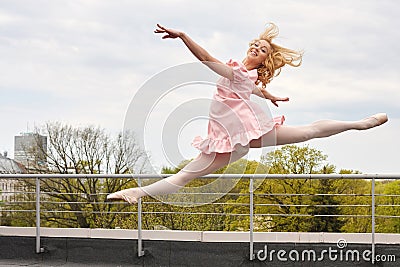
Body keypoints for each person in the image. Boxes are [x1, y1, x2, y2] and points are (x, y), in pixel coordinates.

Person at [107, 23, 388, 204]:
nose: (257, 47)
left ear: (265, 58)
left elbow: (206, 60)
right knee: (184, 177)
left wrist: (183, 36)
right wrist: (270, 95)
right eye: (255, 44)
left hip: (241, 135)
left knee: (309, 132)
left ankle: (359, 124)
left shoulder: (240, 73)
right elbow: (253, 88)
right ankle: (137, 194)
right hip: (229, 140)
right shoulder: (246, 75)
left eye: (263, 49)